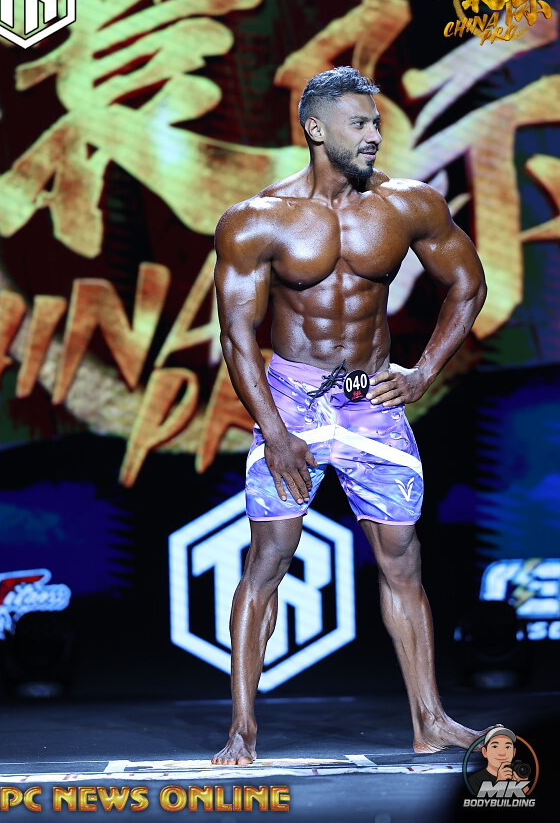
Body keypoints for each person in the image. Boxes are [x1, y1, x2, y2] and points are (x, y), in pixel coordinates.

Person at [212, 66, 488, 765]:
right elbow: (237, 337)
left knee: (402, 557)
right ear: (315, 128)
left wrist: (422, 372)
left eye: (376, 123)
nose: (373, 135)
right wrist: (277, 433)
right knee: (269, 557)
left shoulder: (407, 204)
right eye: (359, 123)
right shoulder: (257, 218)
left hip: (372, 400)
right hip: (292, 399)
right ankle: (242, 729)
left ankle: (430, 721)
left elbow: (468, 284)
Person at [468, 727, 530, 794]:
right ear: (485, 752)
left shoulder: (517, 774)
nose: (502, 753)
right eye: (495, 746)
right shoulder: (475, 780)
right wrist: (499, 782)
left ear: (514, 752)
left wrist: (523, 785)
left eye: (507, 747)